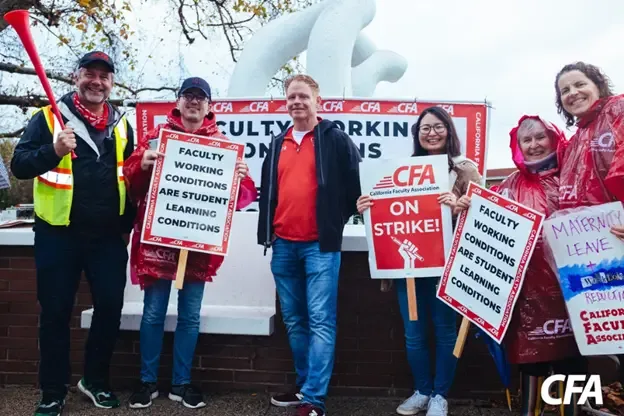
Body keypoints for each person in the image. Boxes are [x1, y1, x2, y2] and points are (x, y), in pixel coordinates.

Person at [11, 51, 135, 415]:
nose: (97, 81)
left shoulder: (123, 124)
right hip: (58, 234)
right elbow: (19, 165)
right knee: (55, 312)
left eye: (104, 76)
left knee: (110, 308)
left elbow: (130, 176)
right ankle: (52, 390)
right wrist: (53, 149)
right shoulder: (48, 118)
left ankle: (94, 381)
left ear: (111, 83)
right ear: (75, 77)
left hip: (109, 237)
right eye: (90, 74)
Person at [123, 77, 257, 409]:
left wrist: (240, 176)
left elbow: (242, 198)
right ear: (178, 102)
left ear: (210, 106)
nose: (194, 102)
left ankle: (181, 383)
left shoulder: (224, 146)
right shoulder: (156, 139)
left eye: (201, 97)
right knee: (153, 313)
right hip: (158, 244)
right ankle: (147, 381)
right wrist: (141, 164)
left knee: (190, 316)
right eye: (188, 96)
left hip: (197, 246)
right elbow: (130, 180)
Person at [456, 115, 586, 415]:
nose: (534, 144)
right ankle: (530, 411)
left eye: (540, 137)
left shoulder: (574, 175)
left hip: (573, 284)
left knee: (573, 356)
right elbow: (488, 228)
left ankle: (575, 410)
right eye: (526, 140)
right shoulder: (511, 184)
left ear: (553, 138)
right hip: (529, 290)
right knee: (532, 355)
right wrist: (467, 208)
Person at [357, 106, 481, 416]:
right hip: (409, 269)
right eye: (425, 128)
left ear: (449, 131)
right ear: (417, 134)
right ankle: (422, 390)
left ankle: (440, 395)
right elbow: (386, 214)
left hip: (447, 267)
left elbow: (484, 217)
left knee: (444, 331)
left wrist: (460, 205)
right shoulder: (400, 169)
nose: (431, 133)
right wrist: (366, 206)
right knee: (413, 332)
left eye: (438, 127)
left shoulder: (465, 170)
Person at [257, 74, 361, 416]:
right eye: (291, 97)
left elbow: (352, 192)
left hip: (321, 247)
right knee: (295, 321)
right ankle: (304, 386)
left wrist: (332, 223)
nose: (297, 102)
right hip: (283, 246)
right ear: (285, 104)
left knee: (320, 321)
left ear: (319, 101)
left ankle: (314, 399)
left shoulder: (336, 140)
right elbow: (267, 195)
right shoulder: (276, 144)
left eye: (303, 96)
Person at [554, 61, 624, 390]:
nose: (573, 93)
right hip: (594, 259)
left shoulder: (618, 110)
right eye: (564, 90)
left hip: (616, 244)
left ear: (597, 84)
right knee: (607, 347)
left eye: (579, 84)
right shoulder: (577, 137)